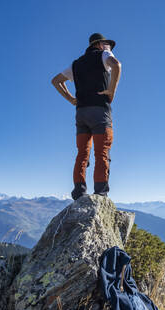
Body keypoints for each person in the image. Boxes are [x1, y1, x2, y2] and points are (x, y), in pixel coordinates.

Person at [51, 33, 122, 200]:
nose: (109, 47)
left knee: (82, 153)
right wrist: (112, 91)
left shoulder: (75, 64)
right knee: (102, 152)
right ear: (99, 44)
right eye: (107, 44)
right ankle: (100, 193)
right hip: (99, 111)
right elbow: (117, 65)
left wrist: (71, 99)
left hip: (81, 113)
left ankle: (79, 192)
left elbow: (56, 81)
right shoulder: (105, 54)